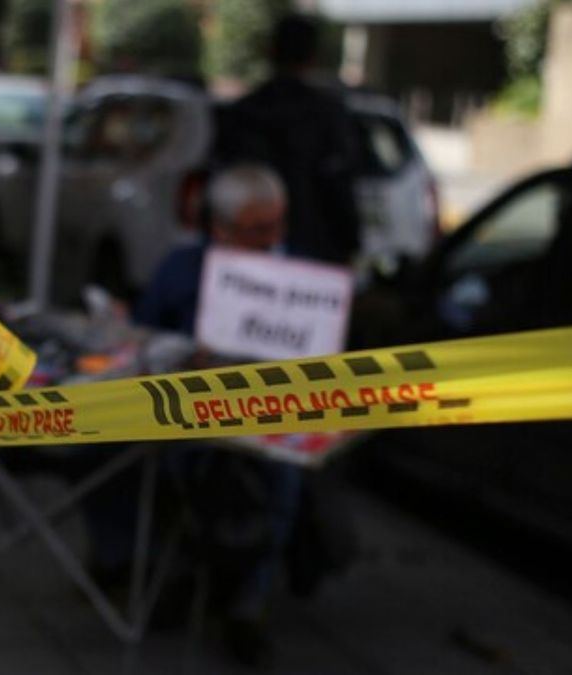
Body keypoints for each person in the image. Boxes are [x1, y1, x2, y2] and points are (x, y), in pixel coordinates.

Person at [133, 164, 303, 667]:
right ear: (220, 230)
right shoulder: (182, 269)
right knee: (166, 473)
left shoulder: (299, 271)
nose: (274, 239)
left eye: (278, 225)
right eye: (258, 231)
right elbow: (142, 340)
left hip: (274, 420)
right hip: (193, 418)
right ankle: (180, 570)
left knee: (283, 484)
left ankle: (248, 606)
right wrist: (184, 356)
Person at [213, 12, 362, 266]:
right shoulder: (328, 114)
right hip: (314, 253)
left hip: (245, 256)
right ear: (313, 57)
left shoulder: (241, 113)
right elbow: (339, 186)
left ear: (269, 51)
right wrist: (350, 243)